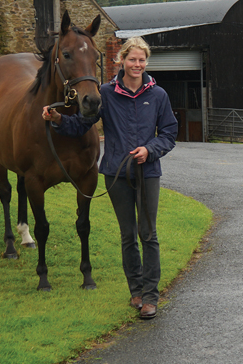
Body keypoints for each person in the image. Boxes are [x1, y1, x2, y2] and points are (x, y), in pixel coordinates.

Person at [42, 36, 178, 319]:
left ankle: (152, 297)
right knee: (128, 235)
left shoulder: (158, 95)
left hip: (148, 173)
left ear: (146, 62)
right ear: (122, 61)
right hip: (116, 174)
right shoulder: (106, 93)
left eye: (142, 60)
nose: (137, 64)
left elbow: (169, 134)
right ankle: (136, 292)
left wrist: (149, 150)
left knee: (148, 234)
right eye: (132, 59)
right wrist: (57, 120)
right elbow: (82, 124)